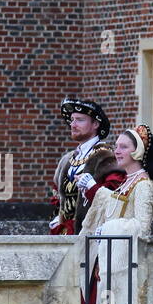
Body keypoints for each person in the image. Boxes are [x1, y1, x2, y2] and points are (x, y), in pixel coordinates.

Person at [79, 125, 153, 304]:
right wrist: (94, 190)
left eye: (123, 147)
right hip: (107, 257)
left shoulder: (144, 185)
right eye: (116, 146)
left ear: (137, 152)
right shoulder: (127, 182)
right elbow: (116, 207)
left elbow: (142, 228)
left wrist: (110, 228)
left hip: (124, 265)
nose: (117, 151)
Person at [50, 99, 118, 235]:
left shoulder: (107, 156)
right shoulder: (67, 160)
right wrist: (57, 219)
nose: (73, 125)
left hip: (91, 234)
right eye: (72, 120)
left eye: (80, 120)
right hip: (65, 234)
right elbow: (57, 197)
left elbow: (113, 198)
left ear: (96, 124)